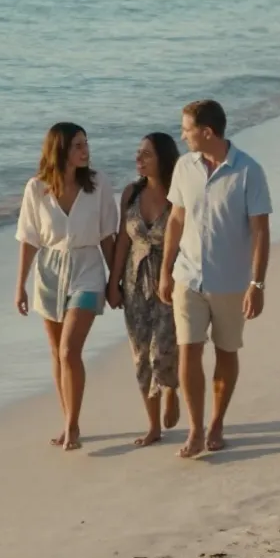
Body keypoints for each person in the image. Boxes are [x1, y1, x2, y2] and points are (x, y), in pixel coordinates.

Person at [158, 99, 271, 459]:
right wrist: (165, 269)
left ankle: (218, 420)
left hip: (231, 282)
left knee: (226, 351)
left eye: (187, 129)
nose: (182, 135)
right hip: (187, 277)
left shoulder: (249, 171)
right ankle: (195, 427)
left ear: (207, 132)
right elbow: (176, 219)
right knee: (188, 349)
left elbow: (261, 231)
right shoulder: (183, 166)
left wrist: (257, 284)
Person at [14, 122, 120, 450]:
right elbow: (29, 239)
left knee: (69, 350)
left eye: (86, 143)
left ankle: (72, 426)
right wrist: (20, 285)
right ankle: (68, 420)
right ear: (60, 150)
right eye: (77, 145)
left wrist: (115, 282)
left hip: (88, 268)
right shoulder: (36, 188)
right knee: (56, 352)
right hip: (48, 271)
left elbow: (107, 235)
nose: (86, 150)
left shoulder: (98, 183)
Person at [105, 132, 182, 446]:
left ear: (162, 158)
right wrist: (114, 284)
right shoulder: (130, 194)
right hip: (135, 282)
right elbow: (123, 240)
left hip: (170, 282)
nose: (138, 159)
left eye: (146, 154)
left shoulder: (178, 195)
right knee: (140, 355)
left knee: (163, 348)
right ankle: (153, 426)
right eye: (138, 153)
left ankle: (171, 389)